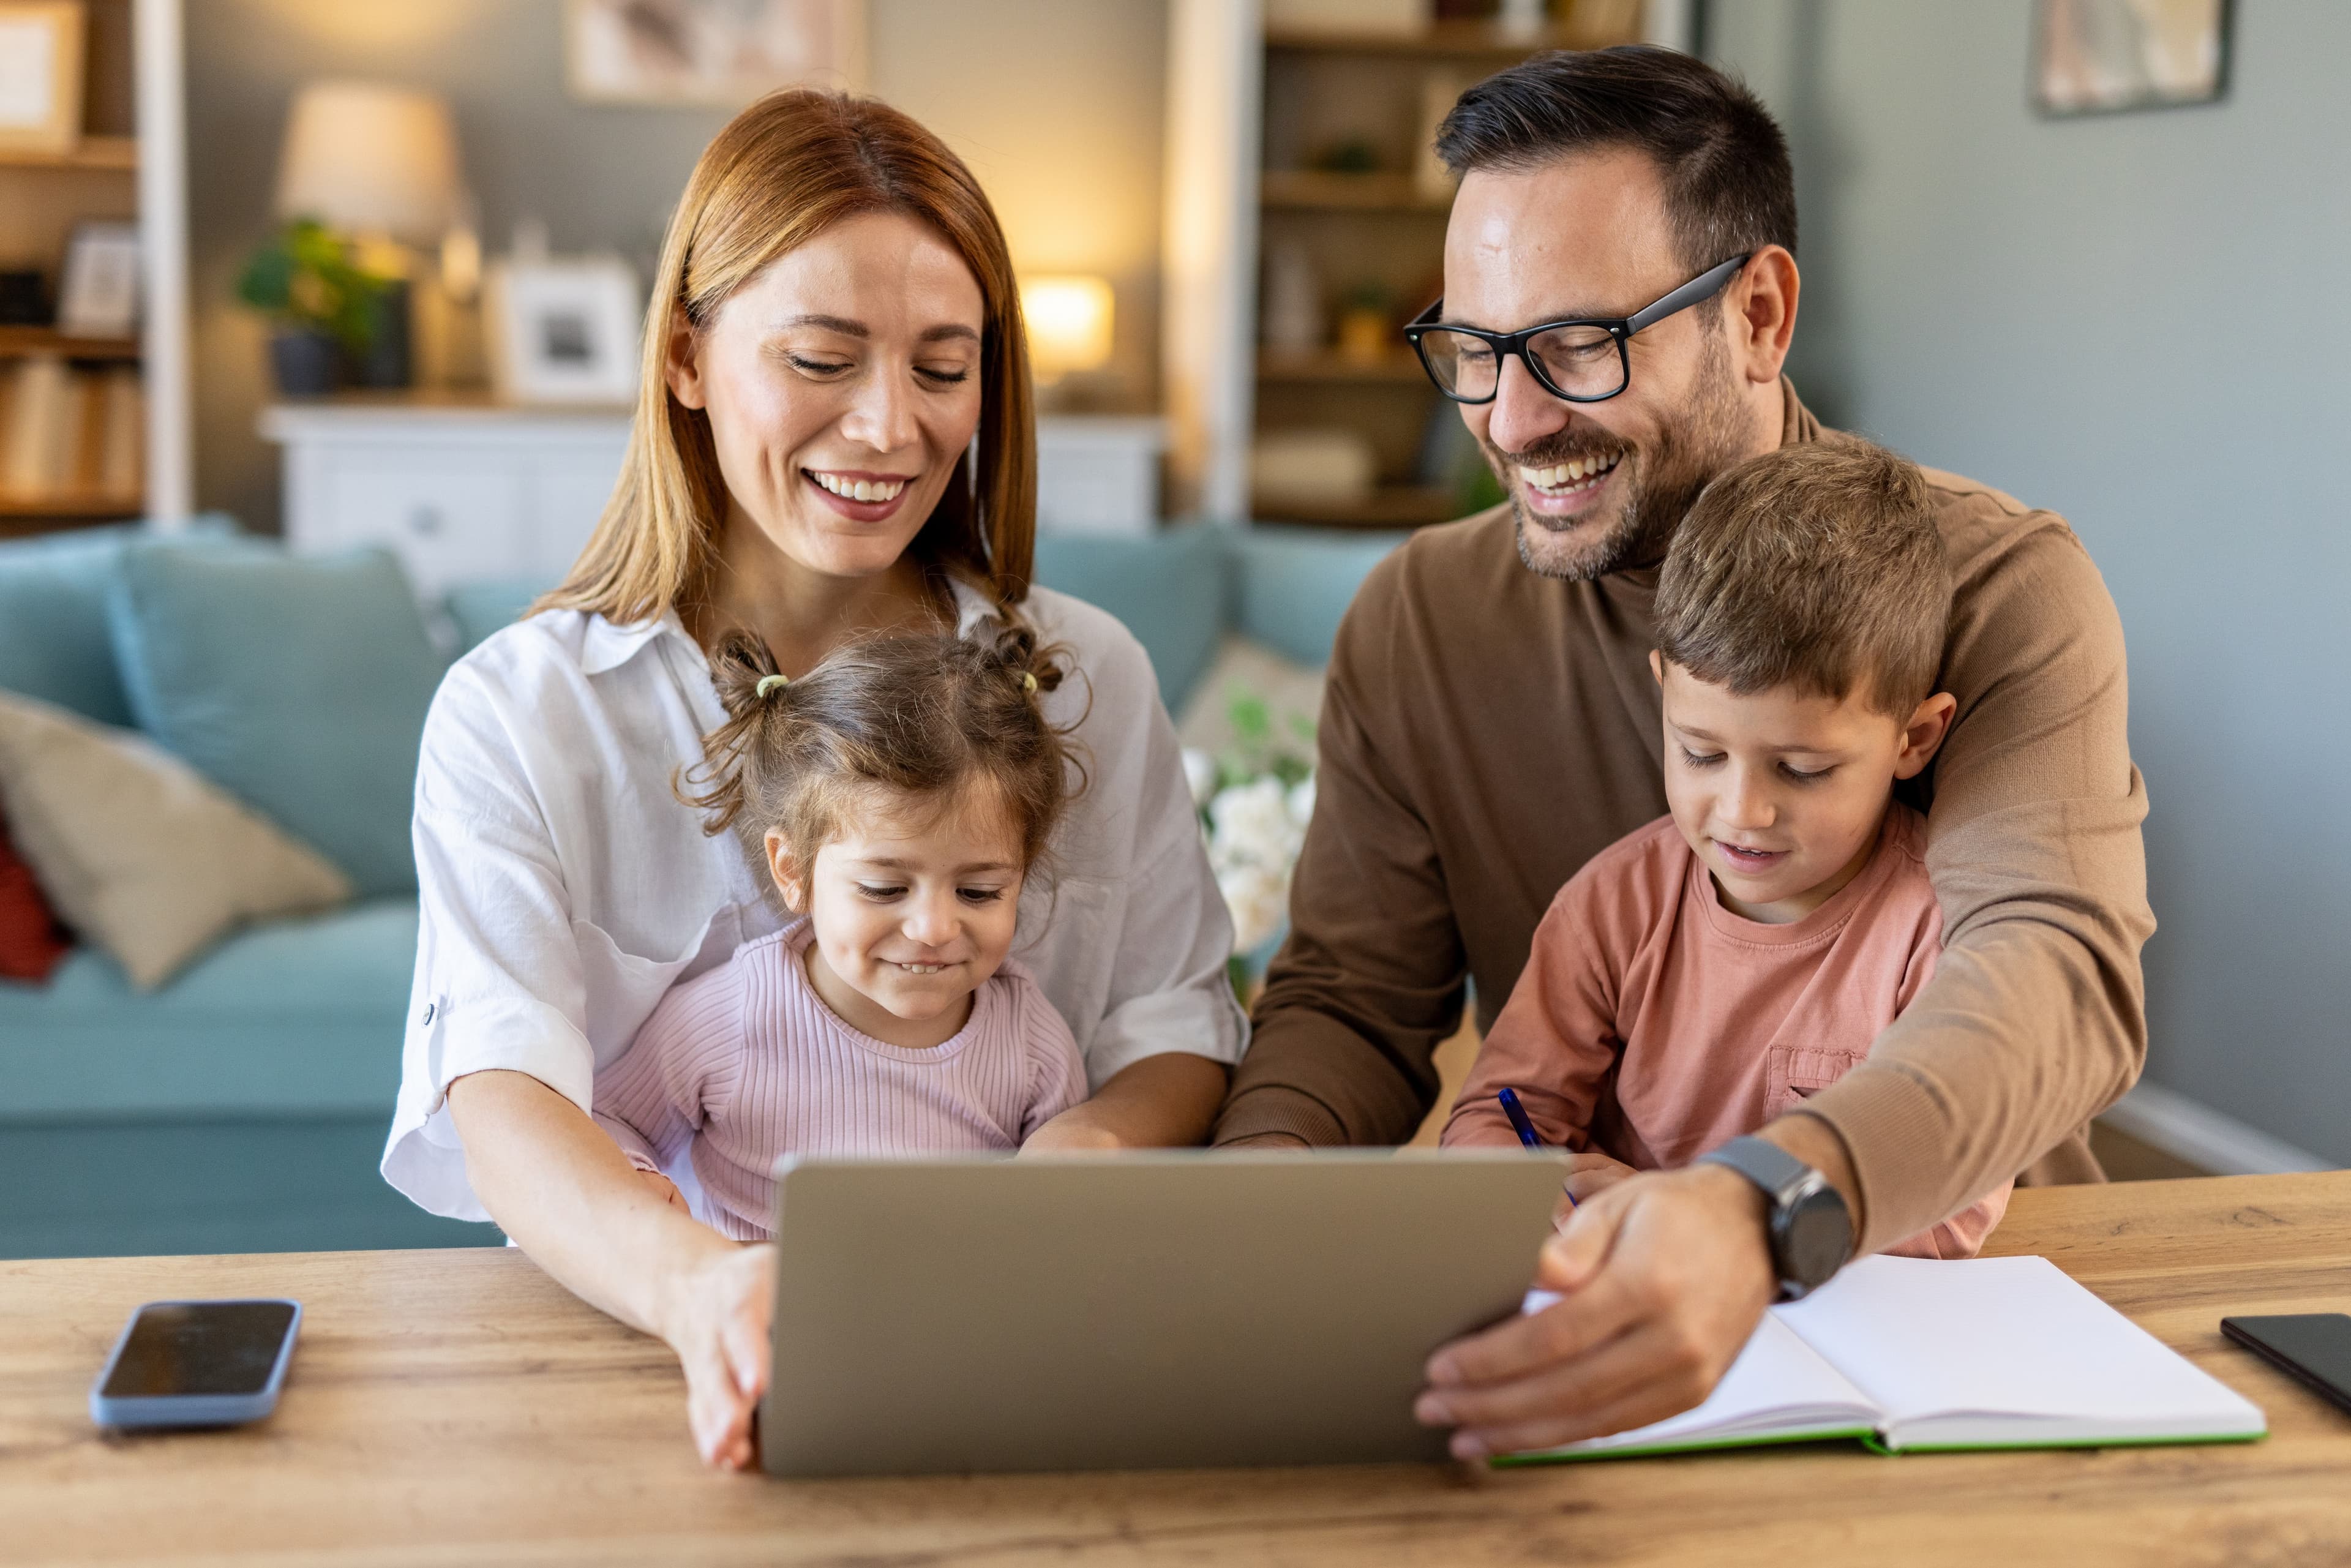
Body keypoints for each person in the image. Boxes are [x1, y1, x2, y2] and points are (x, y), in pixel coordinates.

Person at [1215, 46, 2150, 1460]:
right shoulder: (1420, 616)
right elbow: (1351, 997)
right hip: (1576, 1312)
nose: (1511, 421)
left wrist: (1766, 1202)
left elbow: (2049, 969)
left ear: (1758, 313)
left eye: (1578, 345)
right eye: (1473, 352)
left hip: (1959, 1328)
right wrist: (1254, 1194)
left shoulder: (1998, 587)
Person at [382, 90, 1245, 1471]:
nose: (890, 429)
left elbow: (1175, 1018)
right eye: (822, 358)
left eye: (944, 367)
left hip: (1022, 1354)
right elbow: (502, 1088)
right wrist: (696, 1283)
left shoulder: (1090, 673)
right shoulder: (522, 712)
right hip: (654, 1366)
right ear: (685, 358)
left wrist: (1085, 1152)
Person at [1441, 441, 2010, 1262]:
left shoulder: (1941, 928)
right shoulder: (1613, 908)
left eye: (1803, 768)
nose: (1743, 812)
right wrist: (1537, 1189)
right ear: (1662, 689)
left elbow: (1953, 1209)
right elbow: (1493, 1121)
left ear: (1915, 738)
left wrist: (1693, 1209)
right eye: (1701, 754)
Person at [592, 623, 1092, 1241]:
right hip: (757, 1320)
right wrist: (638, 1186)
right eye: (884, 888)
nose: (934, 928)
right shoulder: (732, 1015)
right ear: (794, 871)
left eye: (979, 892)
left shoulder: (1031, 1042)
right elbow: (609, 1119)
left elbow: (1070, 1215)